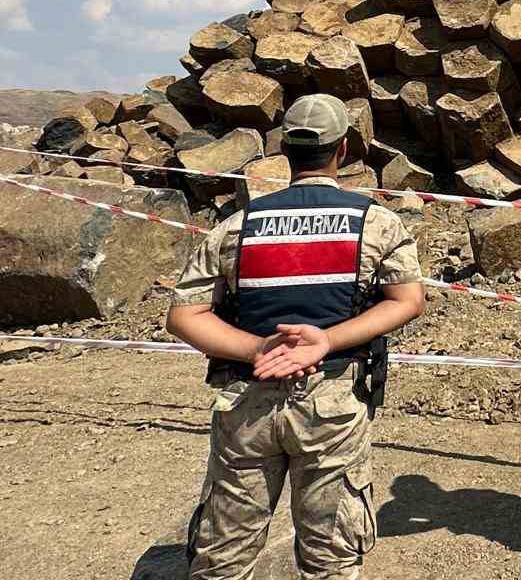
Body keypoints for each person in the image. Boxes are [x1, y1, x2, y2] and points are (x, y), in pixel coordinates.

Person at [166, 93, 425, 580]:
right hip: (330, 401)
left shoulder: (236, 227)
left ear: (284, 149)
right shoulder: (376, 222)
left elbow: (184, 316)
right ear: (345, 148)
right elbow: (407, 300)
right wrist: (326, 340)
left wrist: (257, 348)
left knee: (223, 557)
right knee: (330, 556)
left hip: (245, 404)